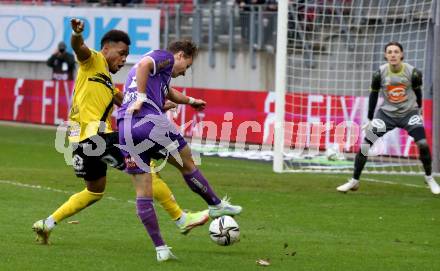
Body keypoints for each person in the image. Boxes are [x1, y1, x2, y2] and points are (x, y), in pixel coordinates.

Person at [32, 19, 209, 255]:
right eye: (121, 53)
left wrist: (156, 104)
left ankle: (47, 223)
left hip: (79, 141)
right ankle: (181, 218)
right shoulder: (93, 60)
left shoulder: (105, 79)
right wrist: (76, 34)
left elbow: (124, 101)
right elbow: (79, 47)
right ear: (106, 49)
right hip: (95, 137)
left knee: (95, 190)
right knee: (146, 167)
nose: (124, 59)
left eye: (127, 56)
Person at [117, 40, 243, 260]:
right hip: (149, 123)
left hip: (125, 127)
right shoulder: (163, 56)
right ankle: (215, 205)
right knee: (187, 163)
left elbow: (169, 92)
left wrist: (191, 100)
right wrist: (143, 98)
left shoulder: (161, 76)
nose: (185, 72)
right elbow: (145, 64)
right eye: (187, 66)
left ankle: (161, 250)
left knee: (143, 191)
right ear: (181, 56)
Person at [337, 41, 440, 195]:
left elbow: (418, 92)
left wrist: (419, 110)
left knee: (423, 144)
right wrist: (370, 118)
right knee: (365, 145)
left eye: (396, 52)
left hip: (409, 114)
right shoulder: (379, 73)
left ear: (402, 55)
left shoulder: (413, 73)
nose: (393, 54)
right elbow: (373, 94)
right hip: (386, 115)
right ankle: (354, 181)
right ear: (385, 55)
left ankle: (429, 177)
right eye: (390, 52)